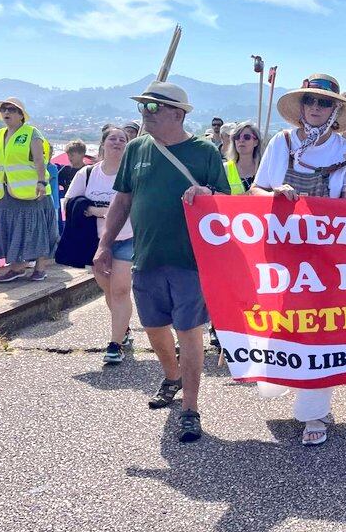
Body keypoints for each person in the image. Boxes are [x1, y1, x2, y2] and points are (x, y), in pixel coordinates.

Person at [94, 81, 230, 443]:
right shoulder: (137, 148)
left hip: (190, 260)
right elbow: (122, 201)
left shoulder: (204, 152)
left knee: (189, 333)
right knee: (154, 328)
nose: (145, 114)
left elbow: (227, 202)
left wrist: (207, 192)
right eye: (143, 107)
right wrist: (105, 244)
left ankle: (190, 406)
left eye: (153, 108)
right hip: (147, 256)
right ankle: (172, 376)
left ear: (178, 114)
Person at [250, 73, 346, 446]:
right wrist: (273, 195)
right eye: (311, 102)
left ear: (335, 109)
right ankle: (290, 380)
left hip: (322, 254)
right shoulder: (280, 143)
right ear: (301, 108)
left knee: (320, 327)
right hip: (282, 248)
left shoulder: (343, 151)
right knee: (283, 320)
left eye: (325, 103)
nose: (316, 108)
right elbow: (256, 189)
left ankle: (314, 410)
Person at [0, 97, 57, 283]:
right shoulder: (0, 134)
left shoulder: (32, 133)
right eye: (3, 109)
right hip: (5, 192)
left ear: (21, 115)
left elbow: (40, 160)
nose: (6, 112)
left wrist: (41, 182)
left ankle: (39, 268)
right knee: (8, 229)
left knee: (36, 228)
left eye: (11, 109)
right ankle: (17, 267)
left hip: (32, 192)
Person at [64, 126, 135, 364]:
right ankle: (123, 329)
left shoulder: (132, 174)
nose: (117, 142)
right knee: (108, 290)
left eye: (122, 139)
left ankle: (114, 344)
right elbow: (70, 201)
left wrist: (113, 214)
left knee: (121, 290)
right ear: (103, 144)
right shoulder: (87, 173)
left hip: (126, 238)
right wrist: (96, 210)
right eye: (112, 138)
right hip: (96, 243)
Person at [224, 121, 263, 194]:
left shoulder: (264, 169)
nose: (241, 140)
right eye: (237, 137)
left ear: (256, 142)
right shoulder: (224, 169)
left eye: (247, 137)